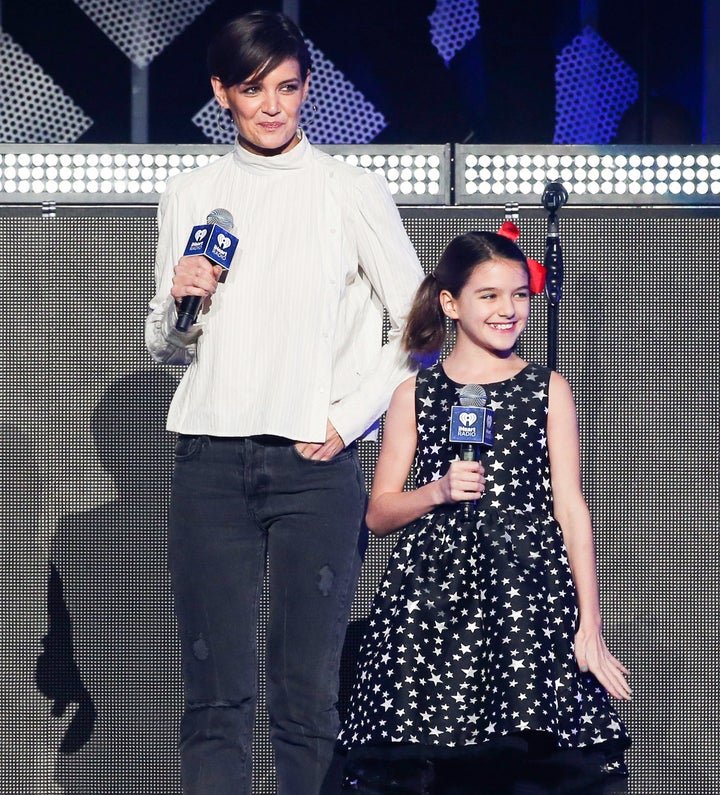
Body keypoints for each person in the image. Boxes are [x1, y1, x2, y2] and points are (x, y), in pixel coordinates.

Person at [144, 9, 423, 795]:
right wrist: (177, 303)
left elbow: (422, 326)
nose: (272, 105)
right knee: (214, 699)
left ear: (306, 90)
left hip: (313, 464)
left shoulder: (349, 190)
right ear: (220, 93)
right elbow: (166, 344)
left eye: (288, 88)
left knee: (306, 699)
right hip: (209, 461)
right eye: (253, 89)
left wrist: (347, 417)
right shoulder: (192, 193)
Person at [339, 229, 631, 794]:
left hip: (525, 595)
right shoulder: (414, 394)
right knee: (429, 760)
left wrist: (588, 624)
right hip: (430, 603)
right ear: (450, 303)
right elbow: (378, 513)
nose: (508, 309)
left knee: (530, 758)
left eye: (520, 295)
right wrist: (438, 491)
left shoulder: (546, 388)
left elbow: (570, 506)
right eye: (490, 295)